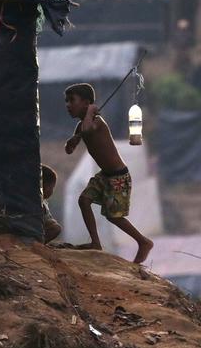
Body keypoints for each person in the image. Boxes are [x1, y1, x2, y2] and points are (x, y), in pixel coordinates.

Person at [64, 83, 153, 264]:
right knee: (84, 200)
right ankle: (95, 242)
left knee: (114, 216)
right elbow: (69, 150)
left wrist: (90, 112)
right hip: (105, 175)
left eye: (71, 100)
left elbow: (88, 129)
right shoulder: (83, 125)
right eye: (66, 101)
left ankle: (143, 242)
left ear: (87, 103)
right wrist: (72, 142)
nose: (67, 105)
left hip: (118, 176)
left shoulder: (96, 122)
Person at [41, 164, 62, 244]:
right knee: (56, 228)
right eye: (52, 188)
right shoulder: (40, 203)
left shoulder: (43, 201)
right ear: (44, 186)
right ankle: (38, 243)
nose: (52, 191)